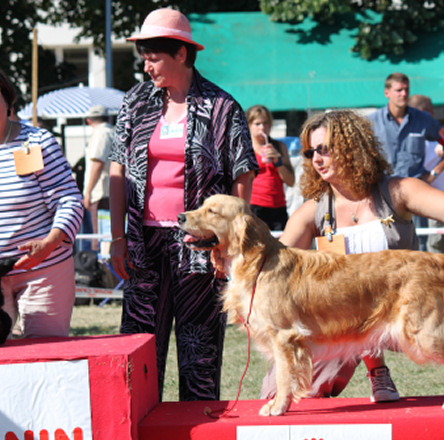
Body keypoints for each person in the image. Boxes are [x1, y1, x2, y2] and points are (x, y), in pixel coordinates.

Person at [260, 110, 444, 403]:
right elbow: (275, 262)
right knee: (275, 394)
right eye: (311, 151)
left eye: (325, 149)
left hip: (400, 308)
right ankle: (370, 373)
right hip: (344, 324)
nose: (317, 159)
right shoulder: (314, 210)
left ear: (352, 147)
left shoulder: (396, 192)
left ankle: (386, 369)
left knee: (427, 339)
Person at [109, 8, 258, 402]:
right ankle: (139, 431)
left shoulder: (223, 107)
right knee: (139, 348)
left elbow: (243, 174)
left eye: (154, 56)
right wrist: (116, 237)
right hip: (143, 244)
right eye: (143, 55)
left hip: (201, 248)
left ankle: (199, 428)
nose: (146, 65)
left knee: (200, 349)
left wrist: (233, 245)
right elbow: (118, 169)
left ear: (181, 53)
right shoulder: (135, 102)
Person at [0, 69, 84, 339]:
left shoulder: (35, 142)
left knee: (46, 359)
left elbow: (68, 200)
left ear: (7, 101)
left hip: (44, 270)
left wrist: (49, 243)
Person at [368, 73, 444, 250]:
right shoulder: (371, 122)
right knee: (383, 247)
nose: (403, 94)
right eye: (398, 90)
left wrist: (433, 175)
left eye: (406, 90)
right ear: (387, 92)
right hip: (381, 196)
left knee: (420, 248)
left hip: (415, 195)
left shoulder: (423, 120)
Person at [408, 94, 444, 254]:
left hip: (440, 202)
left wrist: (435, 172)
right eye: (431, 111)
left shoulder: (432, 132)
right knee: (426, 249)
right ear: (423, 111)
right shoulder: (415, 134)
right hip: (425, 203)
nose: (434, 116)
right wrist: (432, 176)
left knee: (440, 250)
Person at [246, 105, 295, 230]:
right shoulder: (245, 148)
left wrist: (278, 161)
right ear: (249, 125)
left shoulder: (279, 146)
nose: (262, 127)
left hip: (278, 207)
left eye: (265, 123)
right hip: (255, 206)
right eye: (257, 124)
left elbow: (291, 181)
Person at [83, 105, 113, 252]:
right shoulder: (112, 131)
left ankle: (103, 273)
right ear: (108, 118)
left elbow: (97, 163)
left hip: (101, 193)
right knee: (108, 238)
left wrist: (88, 191)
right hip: (111, 191)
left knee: (102, 240)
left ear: (89, 121)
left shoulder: (101, 134)